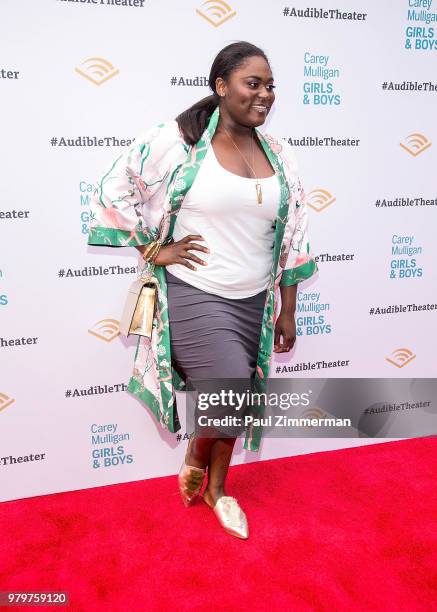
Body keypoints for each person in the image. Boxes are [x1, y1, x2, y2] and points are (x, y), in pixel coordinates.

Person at [87, 41, 318, 540]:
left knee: (237, 397)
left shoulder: (278, 154)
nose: (264, 95)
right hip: (196, 290)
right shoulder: (181, 140)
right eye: (252, 83)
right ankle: (195, 454)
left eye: (270, 85)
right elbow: (112, 189)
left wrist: (287, 309)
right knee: (231, 383)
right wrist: (153, 248)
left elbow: (296, 233)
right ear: (221, 85)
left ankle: (217, 489)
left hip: (254, 300)